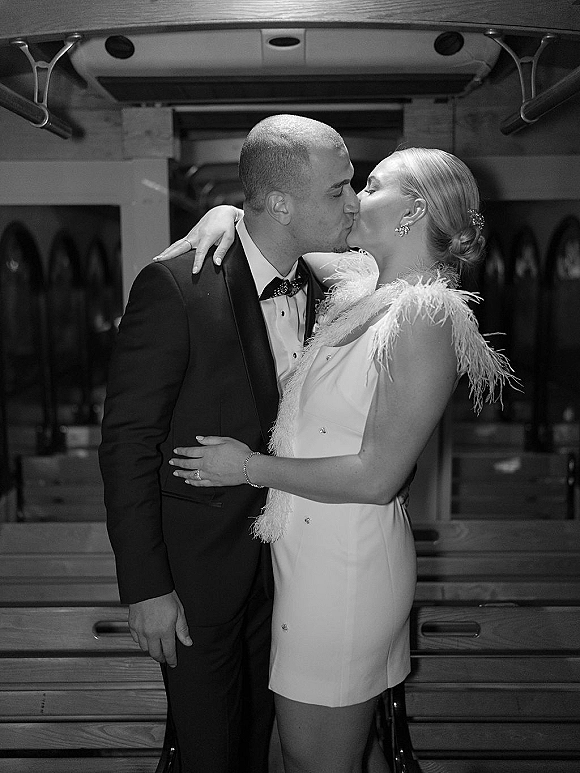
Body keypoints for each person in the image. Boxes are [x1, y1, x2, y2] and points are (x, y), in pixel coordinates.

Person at [157, 146, 515, 773]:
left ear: (411, 212)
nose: (352, 200)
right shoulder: (364, 288)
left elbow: (379, 477)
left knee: (311, 757)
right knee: (327, 751)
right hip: (309, 558)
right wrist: (220, 213)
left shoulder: (426, 315)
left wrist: (249, 468)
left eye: (370, 185)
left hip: (347, 570)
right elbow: (269, 235)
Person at [98, 114, 360, 773]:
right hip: (198, 584)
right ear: (279, 202)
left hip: (290, 577)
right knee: (211, 757)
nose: (352, 202)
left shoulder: (335, 282)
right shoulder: (175, 286)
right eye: (337, 189)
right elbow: (126, 443)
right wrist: (146, 588)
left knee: (256, 749)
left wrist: (223, 209)